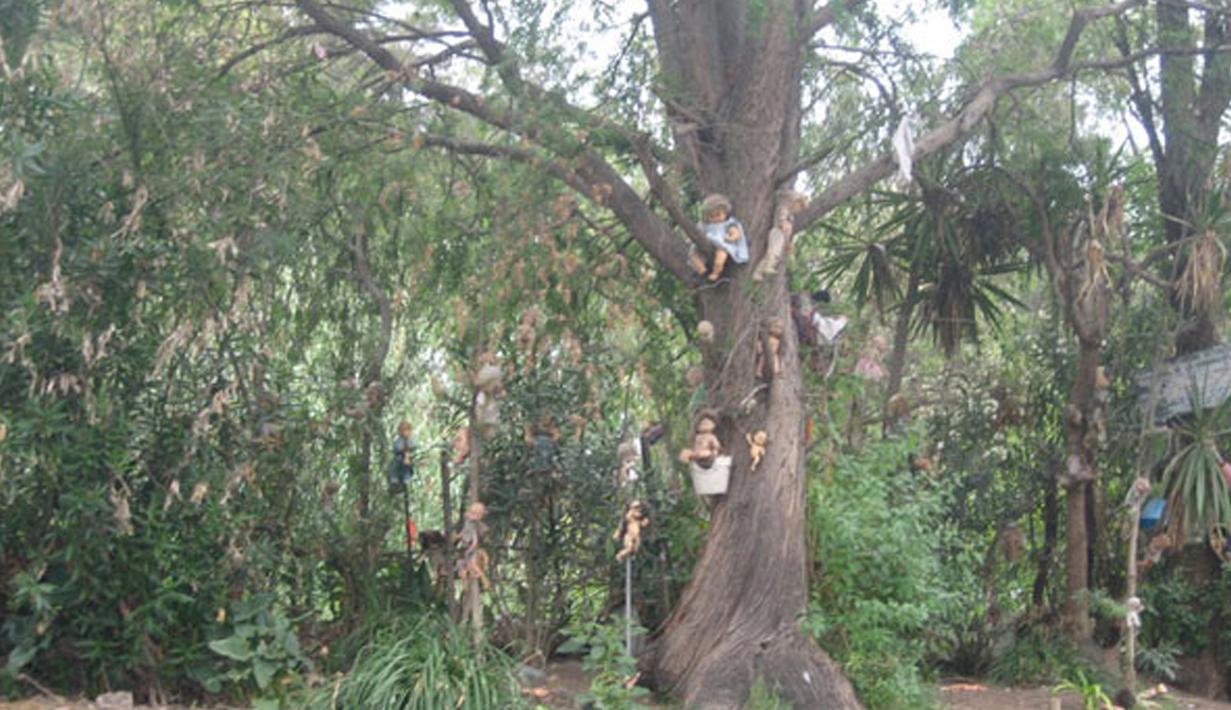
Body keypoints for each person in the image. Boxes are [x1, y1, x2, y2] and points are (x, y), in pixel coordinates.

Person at [388, 420, 416, 491]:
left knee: (407, 469)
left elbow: (413, 448)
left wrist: (408, 455)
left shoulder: (411, 440)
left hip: (409, 459)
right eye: (402, 430)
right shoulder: (397, 440)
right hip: (399, 458)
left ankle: (405, 482)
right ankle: (394, 482)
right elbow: (397, 448)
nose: (404, 432)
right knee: (393, 466)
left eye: (406, 430)